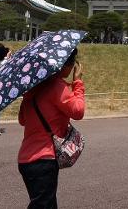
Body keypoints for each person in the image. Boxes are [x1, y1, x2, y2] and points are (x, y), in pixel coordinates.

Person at [17, 49, 85, 208]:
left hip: (26, 159)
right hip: (44, 159)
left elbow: (22, 120)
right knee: (43, 205)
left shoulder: (32, 88)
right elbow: (78, 111)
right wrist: (78, 83)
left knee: (46, 203)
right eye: (72, 63)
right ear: (64, 65)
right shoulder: (56, 86)